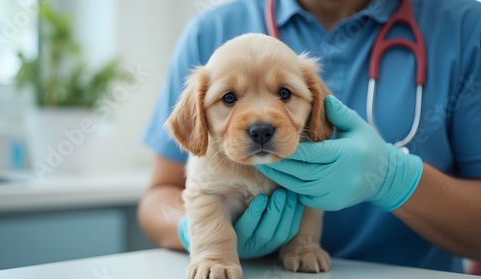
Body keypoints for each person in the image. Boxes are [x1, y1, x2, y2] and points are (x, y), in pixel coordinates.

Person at [138, 0, 481, 273]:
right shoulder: (211, 28)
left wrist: (392, 178)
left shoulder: (467, 25)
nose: (260, 123)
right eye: (229, 98)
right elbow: (159, 196)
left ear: (319, 108)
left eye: (284, 93)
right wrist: (196, 233)